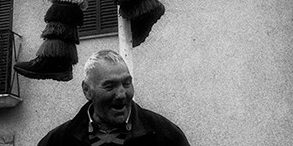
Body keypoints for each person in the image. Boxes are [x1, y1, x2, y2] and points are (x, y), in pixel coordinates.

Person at [37, 50, 191, 146]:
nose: (121, 94)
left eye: (126, 83)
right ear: (87, 90)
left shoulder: (165, 135)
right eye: (110, 86)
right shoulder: (58, 141)